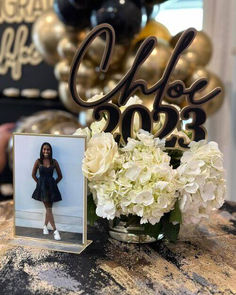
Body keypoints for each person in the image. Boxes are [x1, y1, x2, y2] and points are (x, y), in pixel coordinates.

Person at [32, 142, 63, 241]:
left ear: (50, 151)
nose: (46, 151)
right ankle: (55, 231)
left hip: (52, 189)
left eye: (48, 149)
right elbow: (33, 175)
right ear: (42, 150)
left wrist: (53, 184)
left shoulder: (54, 162)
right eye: (44, 149)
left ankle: (45, 226)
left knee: (48, 209)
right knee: (49, 209)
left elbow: (60, 176)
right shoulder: (38, 161)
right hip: (42, 189)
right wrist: (40, 184)